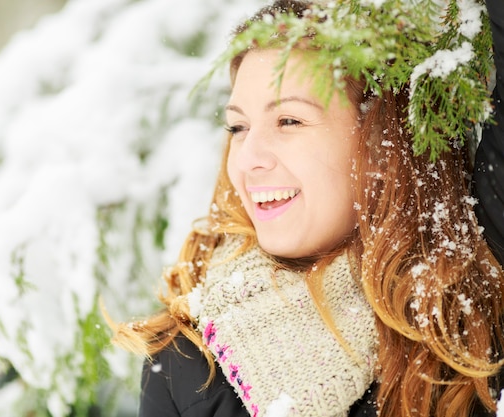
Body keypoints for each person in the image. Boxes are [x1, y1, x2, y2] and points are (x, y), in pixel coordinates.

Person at [107, 0, 504, 416]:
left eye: (289, 121)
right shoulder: (187, 365)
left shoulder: (467, 295)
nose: (247, 158)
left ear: (383, 140)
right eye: (238, 127)